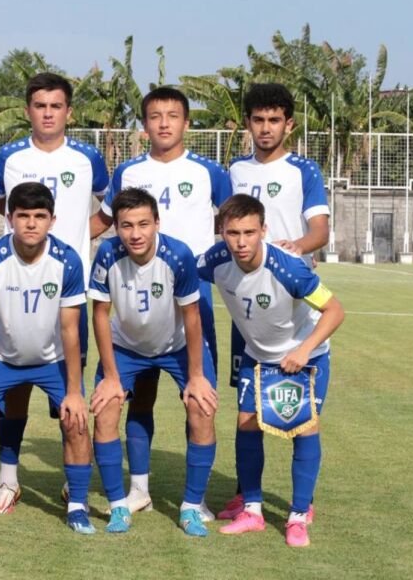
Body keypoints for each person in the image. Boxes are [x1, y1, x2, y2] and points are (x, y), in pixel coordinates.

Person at [0, 72, 108, 514]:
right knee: (14, 389)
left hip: (64, 288)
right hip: (15, 285)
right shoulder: (9, 156)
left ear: (69, 112)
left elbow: (110, 209)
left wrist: (74, 243)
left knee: (70, 399)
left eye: (56, 106)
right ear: (28, 110)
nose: (48, 113)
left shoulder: (88, 157)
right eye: (40, 106)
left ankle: (73, 490)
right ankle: (8, 480)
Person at [90, 87, 230, 515]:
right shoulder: (128, 171)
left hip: (191, 296)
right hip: (135, 295)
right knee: (141, 398)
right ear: (144, 124)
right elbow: (102, 222)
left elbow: (236, 223)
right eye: (155, 116)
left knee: (198, 396)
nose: (164, 123)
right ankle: (139, 489)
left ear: (186, 122)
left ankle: (195, 499)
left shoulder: (210, 172)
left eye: (172, 115)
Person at [197, 194, 344, 547]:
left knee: (304, 428)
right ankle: (252, 510)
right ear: (222, 232)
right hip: (258, 357)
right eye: (233, 233)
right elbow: (182, 270)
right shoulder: (216, 260)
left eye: (249, 232)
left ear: (263, 230)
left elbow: (335, 311)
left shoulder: (289, 268)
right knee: (246, 424)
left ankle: (299, 515)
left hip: (307, 357)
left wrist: (303, 351)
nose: (241, 242)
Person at [220, 83, 330, 520]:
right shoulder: (234, 169)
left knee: (297, 411)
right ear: (247, 123)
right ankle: (247, 495)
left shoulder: (303, 170)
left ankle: (301, 504)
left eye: (274, 120)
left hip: (290, 298)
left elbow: (320, 230)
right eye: (258, 120)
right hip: (248, 305)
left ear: (289, 124)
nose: (266, 128)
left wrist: (296, 248)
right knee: (248, 409)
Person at [0, 182, 94, 534]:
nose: (31, 223)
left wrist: (74, 391)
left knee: (76, 420)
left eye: (39, 216)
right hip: (3, 358)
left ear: (52, 220)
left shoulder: (68, 260)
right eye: (23, 216)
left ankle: (77, 506)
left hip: (53, 360)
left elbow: (71, 329)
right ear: (9, 218)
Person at [89, 188, 217, 536]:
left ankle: (192, 506)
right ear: (116, 227)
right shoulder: (107, 253)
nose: (136, 233)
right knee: (106, 409)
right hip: (126, 347)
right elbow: (100, 314)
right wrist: (111, 376)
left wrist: (196, 376)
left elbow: (192, 316)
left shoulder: (178, 254)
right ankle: (121, 504)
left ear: (157, 223)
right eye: (126, 225)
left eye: (143, 224)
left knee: (202, 407)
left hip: (176, 346)